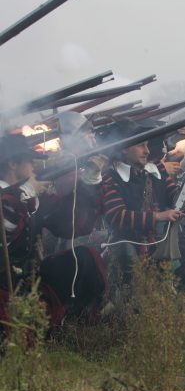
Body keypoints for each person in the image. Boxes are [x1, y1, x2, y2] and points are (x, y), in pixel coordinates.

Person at [100, 120, 185, 301]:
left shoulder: (157, 169)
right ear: (124, 149)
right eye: (141, 145)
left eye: (147, 145)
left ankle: (180, 288)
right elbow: (117, 216)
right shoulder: (110, 177)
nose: (147, 151)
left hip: (159, 241)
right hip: (128, 244)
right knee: (131, 290)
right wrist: (158, 216)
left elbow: (178, 199)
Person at [0, 134, 107, 333]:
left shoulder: (28, 195)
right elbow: (6, 232)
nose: (33, 167)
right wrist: (26, 192)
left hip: (28, 280)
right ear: (13, 163)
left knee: (85, 257)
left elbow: (72, 225)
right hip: (3, 285)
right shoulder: (15, 196)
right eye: (29, 161)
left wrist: (88, 182)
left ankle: (78, 323)